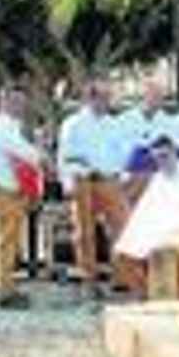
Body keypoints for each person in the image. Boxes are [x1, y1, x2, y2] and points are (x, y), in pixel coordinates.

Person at [58, 80, 144, 293]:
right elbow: (65, 156)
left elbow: (124, 153)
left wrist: (127, 174)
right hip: (83, 181)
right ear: (90, 98)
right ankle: (90, 282)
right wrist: (68, 182)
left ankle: (124, 278)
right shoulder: (73, 123)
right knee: (85, 233)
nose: (106, 102)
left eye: (108, 97)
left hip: (110, 180)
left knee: (124, 229)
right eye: (102, 97)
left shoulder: (113, 123)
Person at [0, 84, 44, 309]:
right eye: (14, 101)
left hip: (11, 190)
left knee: (9, 240)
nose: (19, 105)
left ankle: (7, 286)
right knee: (6, 239)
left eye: (22, 101)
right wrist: (43, 157)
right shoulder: (2, 126)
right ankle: (3, 290)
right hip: (3, 189)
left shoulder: (11, 125)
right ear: (3, 102)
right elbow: (22, 152)